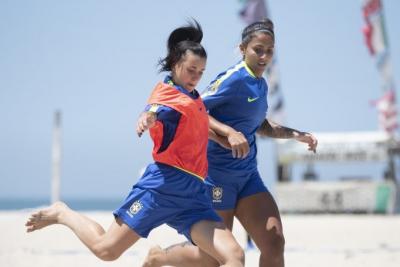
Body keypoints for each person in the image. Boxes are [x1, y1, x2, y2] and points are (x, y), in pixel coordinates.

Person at [25, 20, 245, 267]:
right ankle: (63, 212)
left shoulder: (192, 97)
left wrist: (222, 138)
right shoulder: (166, 95)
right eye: (191, 70)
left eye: (201, 72)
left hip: (194, 193)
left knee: (234, 256)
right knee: (106, 250)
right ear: (175, 63)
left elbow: (195, 127)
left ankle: (159, 258)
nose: (196, 77)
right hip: (161, 188)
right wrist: (146, 118)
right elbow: (154, 111)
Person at [144, 19, 318, 267]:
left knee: (274, 242)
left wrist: (296, 134)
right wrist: (228, 132)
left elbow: (260, 125)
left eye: (269, 51)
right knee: (213, 258)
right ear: (243, 49)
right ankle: (159, 256)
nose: (264, 56)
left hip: (247, 176)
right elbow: (196, 108)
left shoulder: (261, 84)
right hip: (216, 176)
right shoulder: (233, 79)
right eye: (258, 49)